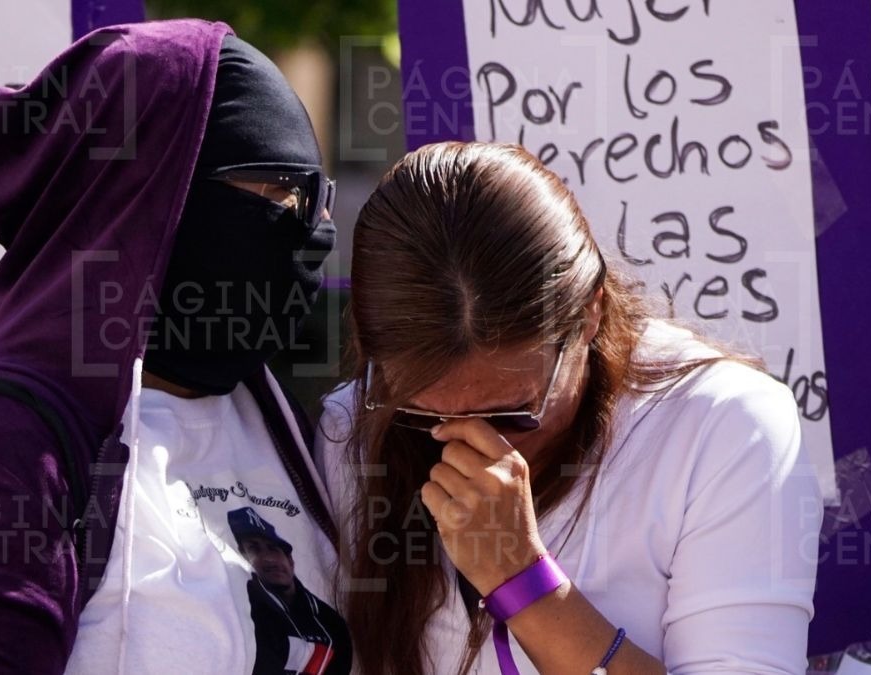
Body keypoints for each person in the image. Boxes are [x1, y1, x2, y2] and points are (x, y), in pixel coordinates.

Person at [0, 19, 349, 674]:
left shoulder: (275, 417)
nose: (318, 228)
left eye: (319, 196)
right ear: (152, 198)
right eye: (284, 193)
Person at [317, 142, 821, 675]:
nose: (466, 440)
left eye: (512, 413)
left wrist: (524, 582)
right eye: (421, 414)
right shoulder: (349, 428)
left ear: (589, 316)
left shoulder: (721, 426)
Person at [228, 507, 352, 675]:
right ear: (242, 556)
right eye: (254, 548)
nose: (269, 559)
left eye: (273, 548)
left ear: (290, 560)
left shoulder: (330, 621)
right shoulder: (237, 610)